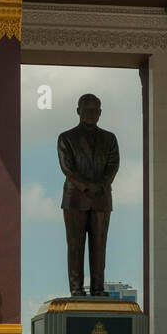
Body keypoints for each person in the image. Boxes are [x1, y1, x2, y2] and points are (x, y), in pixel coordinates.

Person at [57, 93, 120, 297]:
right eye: (87, 110)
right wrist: (87, 187)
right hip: (75, 198)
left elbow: (113, 165)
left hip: (101, 199)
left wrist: (100, 185)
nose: (91, 114)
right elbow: (67, 168)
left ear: (100, 113)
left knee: (99, 246)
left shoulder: (109, 138)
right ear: (78, 112)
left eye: (95, 110)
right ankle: (76, 288)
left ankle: (98, 288)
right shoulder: (66, 137)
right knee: (75, 246)